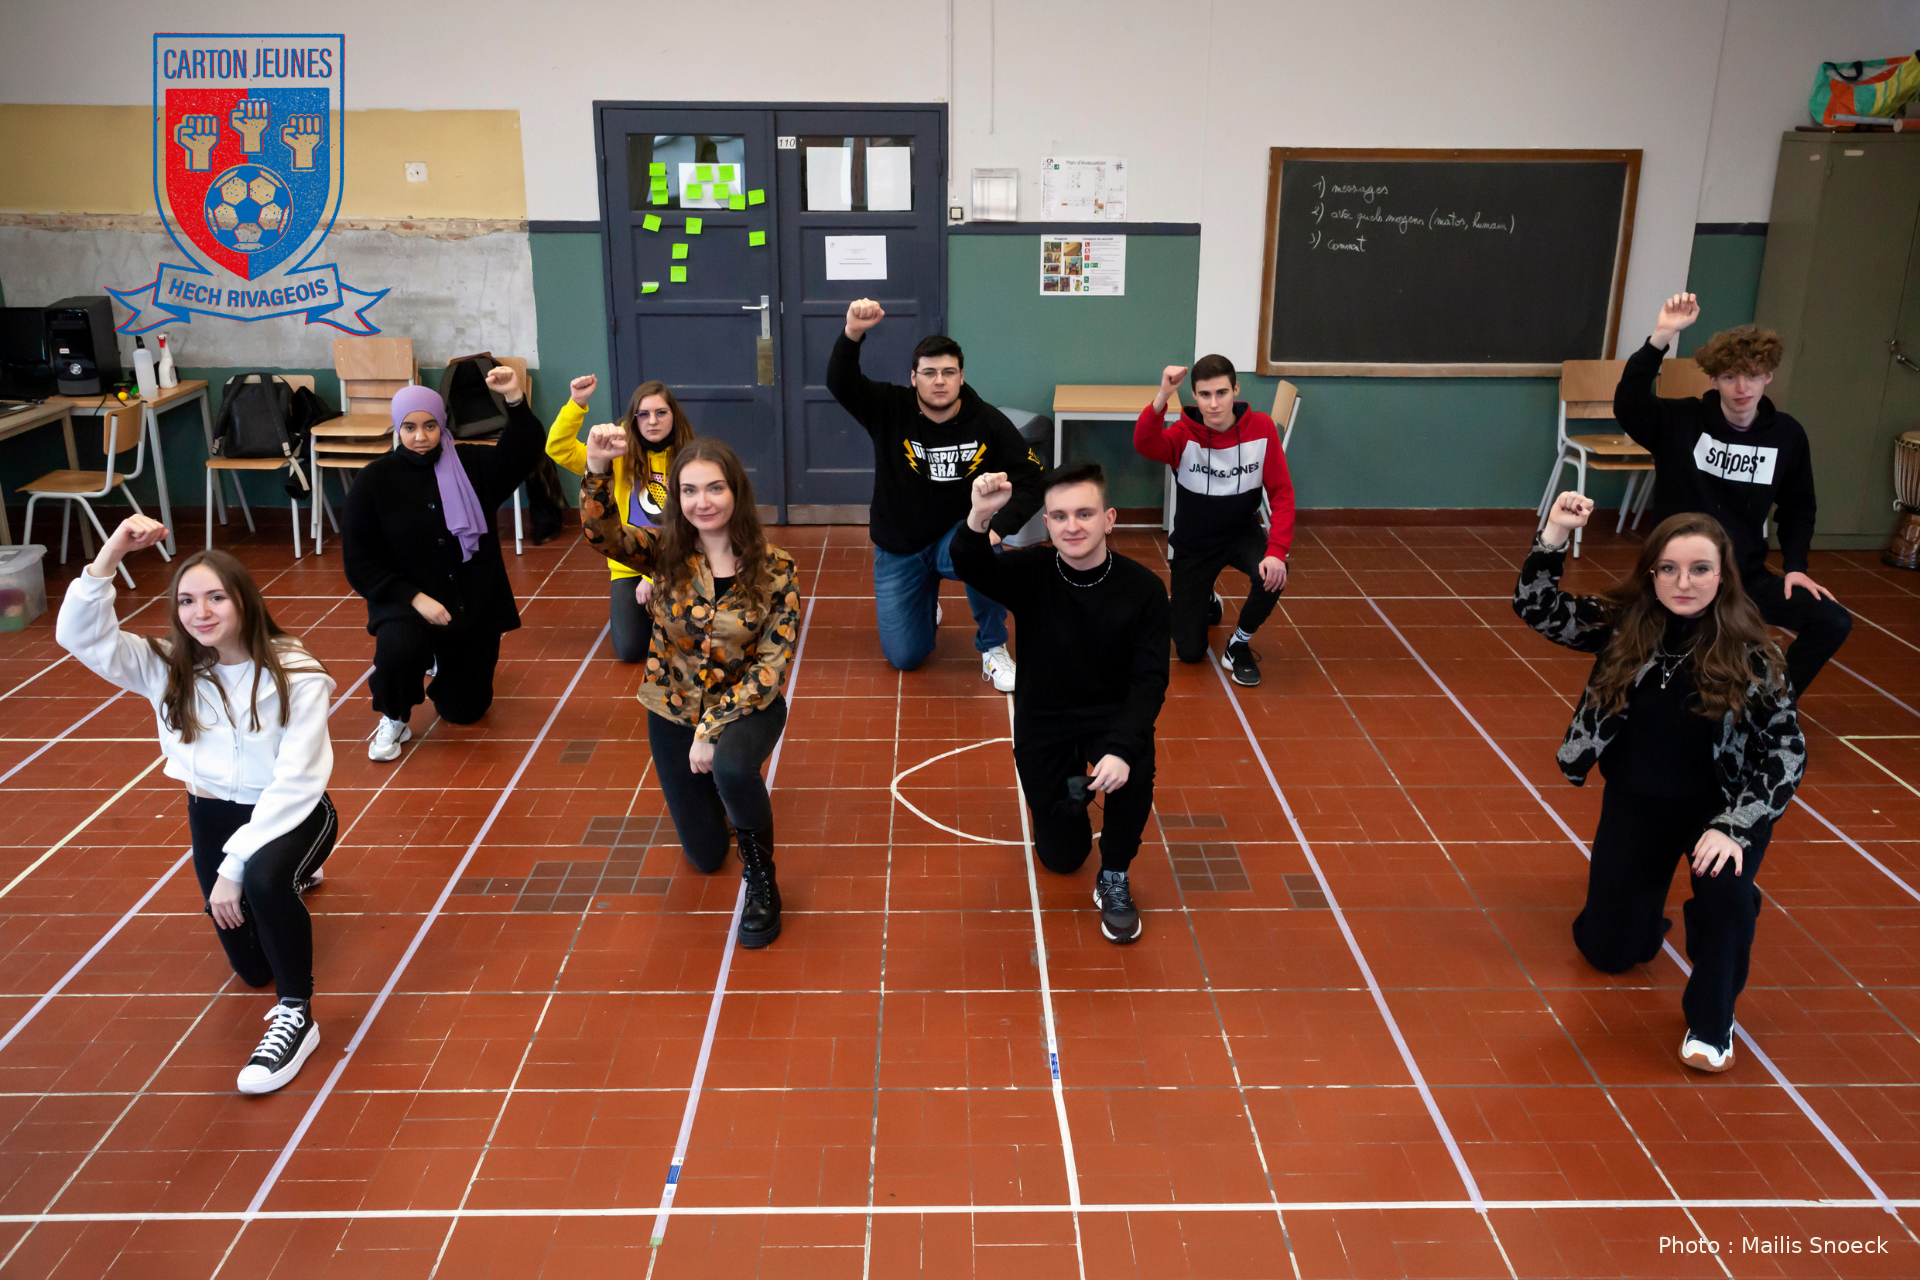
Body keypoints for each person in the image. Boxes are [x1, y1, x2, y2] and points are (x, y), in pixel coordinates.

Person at [1517, 493, 1806, 1073]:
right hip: (1638, 801)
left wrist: (1735, 826)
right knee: (1608, 951)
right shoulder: (1629, 625)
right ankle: (1652, 914)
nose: (1684, 582)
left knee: (1725, 899)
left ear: (1722, 577)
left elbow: (1787, 750)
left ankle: (1712, 1020)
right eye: (1669, 569)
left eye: (1700, 569)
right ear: (1652, 575)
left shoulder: (1754, 653)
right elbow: (1539, 608)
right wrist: (1553, 533)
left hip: (1719, 815)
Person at [57, 515, 337, 1094]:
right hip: (211, 812)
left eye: (215, 597)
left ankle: (297, 1016)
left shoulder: (297, 673)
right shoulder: (167, 666)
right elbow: (79, 637)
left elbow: (296, 782)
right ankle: (277, 881)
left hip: (292, 811)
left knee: (261, 882)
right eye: (186, 600)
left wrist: (236, 868)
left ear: (244, 602)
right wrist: (110, 554)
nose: (200, 612)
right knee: (250, 967)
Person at [578, 430, 802, 948]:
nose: (703, 502)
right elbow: (600, 533)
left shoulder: (777, 569)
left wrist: (712, 728)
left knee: (729, 765)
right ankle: (724, 805)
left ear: (736, 493)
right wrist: (595, 467)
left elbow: (771, 667)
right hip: (671, 709)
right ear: (677, 499)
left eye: (715, 488)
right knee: (704, 856)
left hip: (749, 705)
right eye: (690, 490)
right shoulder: (663, 554)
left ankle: (763, 882)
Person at [953, 463, 1170, 944]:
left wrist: (1121, 747)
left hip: (1109, 716)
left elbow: (1150, 681)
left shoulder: (1145, 590)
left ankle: (1114, 875)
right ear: (1047, 524)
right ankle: (1077, 788)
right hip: (1045, 721)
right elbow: (968, 564)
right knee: (1062, 856)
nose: (1073, 526)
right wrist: (979, 517)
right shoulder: (1029, 570)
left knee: (1134, 768)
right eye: (1061, 516)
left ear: (1109, 519)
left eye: (1085, 513)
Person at [1615, 293, 1851, 696]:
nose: (1742, 387)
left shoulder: (1787, 436)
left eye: (1753, 375)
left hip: (1744, 578)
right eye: (1729, 377)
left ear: (1769, 376)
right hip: (1681, 577)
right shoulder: (1681, 423)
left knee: (1832, 620)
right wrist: (1662, 336)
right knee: (1685, 670)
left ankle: (1772, 703)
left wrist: (1796, 565)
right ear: (1713, 379)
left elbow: (1797, 508)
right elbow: (1629, 404)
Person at [827, 298, 1045, 690]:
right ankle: (925, 603)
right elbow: (840, 382)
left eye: (948, 372)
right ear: (914, 378)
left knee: (984, 549)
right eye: (929, 372)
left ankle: (993, 648)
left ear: (961, 377)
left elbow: (1033, 476)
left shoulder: (988, 421)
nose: (939, 380)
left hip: (957, 537)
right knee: (905, 658)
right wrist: (853, 332)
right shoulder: (888, 407)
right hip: (900, 545)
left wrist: (1000, 529)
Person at [342, 369, 544, 760]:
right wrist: (414, 599)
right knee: (399, 650)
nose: (421, 437)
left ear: (442, 424)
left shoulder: (469, 465)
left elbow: (524, 452)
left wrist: (514, 398)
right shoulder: (374, 483)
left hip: (468, 604)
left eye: (430, 426)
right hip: (408, 605)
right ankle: (394, 715)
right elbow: (360, 562)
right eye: (411, 428)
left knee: (465, 711)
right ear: (397, 429)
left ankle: (443, 661)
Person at [1134, 355, 1295, 685]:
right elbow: (1145, 443)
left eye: (1222, 393)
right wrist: (1163, 395)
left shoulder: (1262, 429)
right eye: (1205, 395)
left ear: (1236, 389)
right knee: (1190, 652)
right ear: (1194, 395)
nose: (1214, 403)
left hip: (1242, 534)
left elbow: (1282, 495)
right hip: (1194, 545)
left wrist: (1276, 550)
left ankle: (1238, 643)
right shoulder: (1182, 434)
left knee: (1275, 573)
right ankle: (1206, 596)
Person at [545, 372, 694, 664]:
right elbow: (558, 448)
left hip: (680, 561)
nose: (653, 421)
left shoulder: (690, 455)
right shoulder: (616, 452)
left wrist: (657, 575)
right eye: (644, 414)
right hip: (630, 564)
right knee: (629, 650)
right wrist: (577, 403)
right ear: (634, 419)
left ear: (673, 416)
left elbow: (695, 525)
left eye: (661, 413)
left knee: (688, 645)